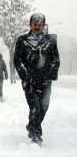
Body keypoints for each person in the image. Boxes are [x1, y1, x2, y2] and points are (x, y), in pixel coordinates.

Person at [14, 13, 60, 144]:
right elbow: (17, 60)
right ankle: (36, 135)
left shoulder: (50, 40)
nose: (37, 27)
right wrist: (25, 76)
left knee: (44, 108)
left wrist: (52, 73)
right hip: (30, 81)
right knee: (35, 107)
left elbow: (55, 59)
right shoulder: (22, 40)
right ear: (30, 25)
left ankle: (31, 125)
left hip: (45, 81)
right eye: (35, 24)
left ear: (43, 26)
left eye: (40, 25)